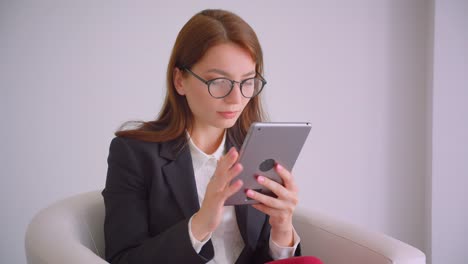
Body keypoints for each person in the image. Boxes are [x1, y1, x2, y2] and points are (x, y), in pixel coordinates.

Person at [102, 9, 301, 264]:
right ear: (180, 81)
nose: (237, 99)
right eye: (219, 81)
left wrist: (282, 228)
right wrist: (200, 224)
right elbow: (123, 259)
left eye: (248, 81)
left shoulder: (257, 151)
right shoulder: (133, 153)